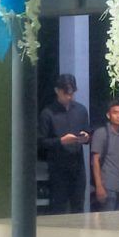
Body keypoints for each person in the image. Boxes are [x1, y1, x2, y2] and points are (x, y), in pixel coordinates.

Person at [38, 73, 91, 214]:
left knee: (78, 206)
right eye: (66, 93)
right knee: (58, 207)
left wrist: (86, 138)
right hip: (58, 169)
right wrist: (61, 141)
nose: (69, 97)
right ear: (57, 90)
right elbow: (41, 142)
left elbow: (88, 133)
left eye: (72, 93)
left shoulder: (81, 110)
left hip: (78, 167)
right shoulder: (48, 113)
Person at [90, 99, 119, 211]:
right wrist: (99, 186)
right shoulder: (101, 133)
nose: (118, 116)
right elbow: (95, 161)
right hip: (108, 185)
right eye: (115, 112)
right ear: (108, 115)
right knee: (108, 218)